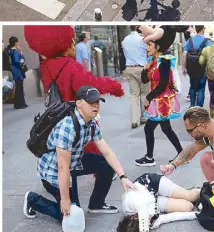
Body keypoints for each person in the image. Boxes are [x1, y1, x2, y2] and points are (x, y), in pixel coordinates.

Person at [23, 86, 136, 222]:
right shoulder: (67, 127)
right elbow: (62, 167)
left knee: (106, 164)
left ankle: (96, 204)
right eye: (91, 102)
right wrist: (65, 200)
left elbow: (107, 152)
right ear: (79, 103)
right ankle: (32, 199)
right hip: (53, 172)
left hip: (74, 162)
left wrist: (123, 176)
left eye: (97, 103)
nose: (95, 106)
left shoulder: (92, 124)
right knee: (70, 215)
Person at [24, 25, 124, 156]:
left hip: (57, 114)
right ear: (64, 44)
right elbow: (89, 86)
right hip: (76, 114)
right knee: (93, 144)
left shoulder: (46, 66)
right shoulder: (71, 66)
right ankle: (103, 170)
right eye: (71, 41)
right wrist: (114, 86)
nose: (74, 45)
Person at [117, 173, 200, 232]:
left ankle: (206, 189)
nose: (148, 220)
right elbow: (169, 218)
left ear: (133, 217)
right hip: (154, 202)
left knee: (190, 196)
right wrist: (196, 215)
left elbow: (143, 214)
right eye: (148, 223)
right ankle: (178, 195)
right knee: (188, 206)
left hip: (151, 184)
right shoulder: (149, 223)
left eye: (146, 221)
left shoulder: (129, 204)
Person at [134, 32, 183, 167]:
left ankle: (150, 158)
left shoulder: (164, 61)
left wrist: (149, 98)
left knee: (149, 129)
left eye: (149, 45)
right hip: (158, 100)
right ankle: (182, 154)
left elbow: (163, 84)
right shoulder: (153, 62)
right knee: (166, 129)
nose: (147, 48)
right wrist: (145, 69)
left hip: (162, 101)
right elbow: (145, 80)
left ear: (158, 46)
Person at [122, 27, 150, 129]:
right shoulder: (143, 40)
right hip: (142, 69)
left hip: (129, 68)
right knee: (144, 93)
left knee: (134, 95)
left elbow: (124, 54)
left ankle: (134, 120)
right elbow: (148, 53)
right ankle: (143, 117)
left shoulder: (125, 40)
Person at [182, 25, 211, 108]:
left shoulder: (190, 40)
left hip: (191, 68)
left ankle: (192, 105)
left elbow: (184, 54)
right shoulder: (207, 41)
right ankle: (199, 107)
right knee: (201, 89)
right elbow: (208, 56)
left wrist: (184, 68)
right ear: (203, 29)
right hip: (202, 68)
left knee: (193, 87)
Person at [8, 37, 27, 109]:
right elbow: (17, 60)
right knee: (19, 87)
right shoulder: (15, 51)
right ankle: (19, 104)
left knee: (19, 87)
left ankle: (21, 103)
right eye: (18, 42)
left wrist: (20, 52)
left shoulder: (12, 50)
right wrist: (21, 61)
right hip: (17, 70)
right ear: (16, 42)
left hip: (16, 70)